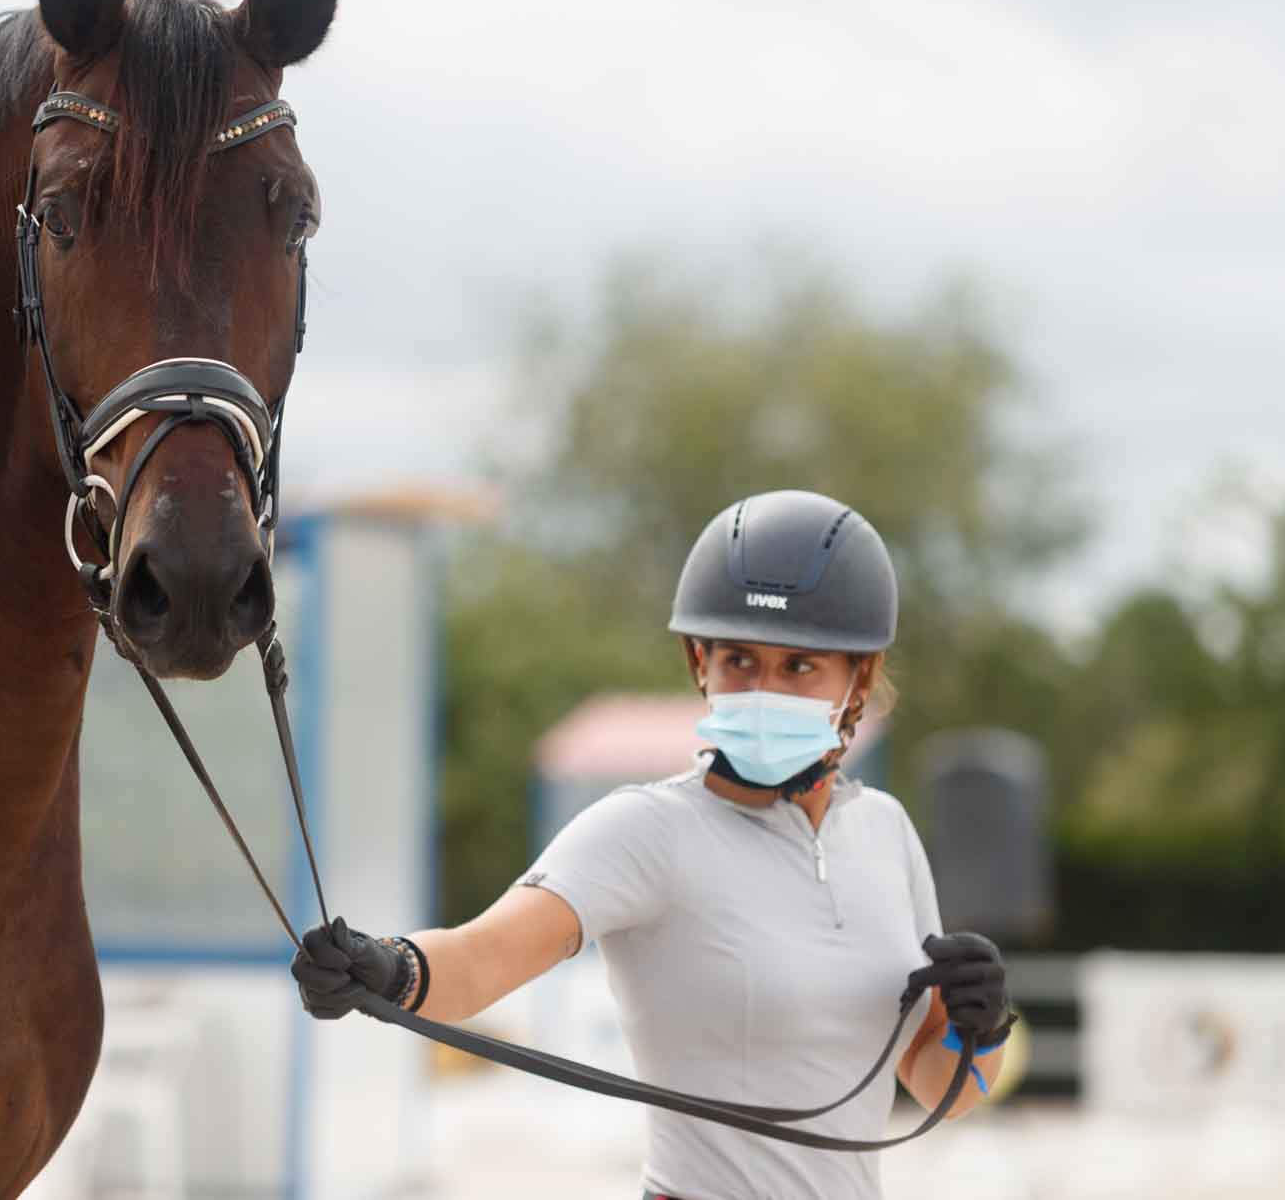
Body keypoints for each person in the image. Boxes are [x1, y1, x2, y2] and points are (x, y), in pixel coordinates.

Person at [290, 489, 1016, 1200]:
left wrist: (975, 1030)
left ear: (858, 676)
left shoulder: (886, 831)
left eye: (798, 666)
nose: (764, 687)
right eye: (738, 659)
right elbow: (483, 958)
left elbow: (937, 1088)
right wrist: (386, 967)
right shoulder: (647, 831)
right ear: (700, 662)